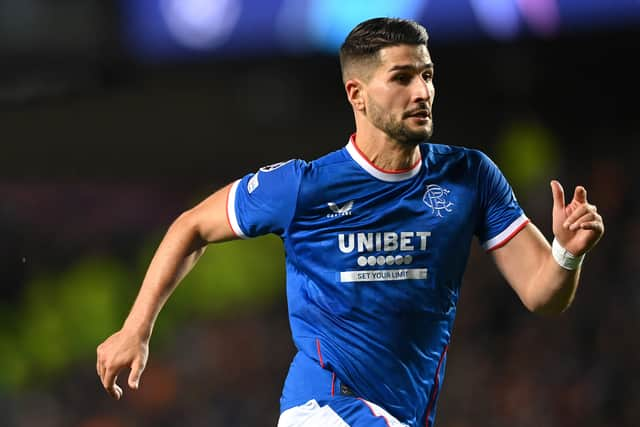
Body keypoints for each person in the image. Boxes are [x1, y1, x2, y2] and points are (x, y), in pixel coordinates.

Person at [96, 17, 604, 427]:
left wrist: (567, 251)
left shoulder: (469, 176)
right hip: (321, 409)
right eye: (402, 78)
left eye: (426, 75)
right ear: (356, 95)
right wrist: (135, 329)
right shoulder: (304, 185)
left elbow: (542, 293)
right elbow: (192, 225)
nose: (421, 91)